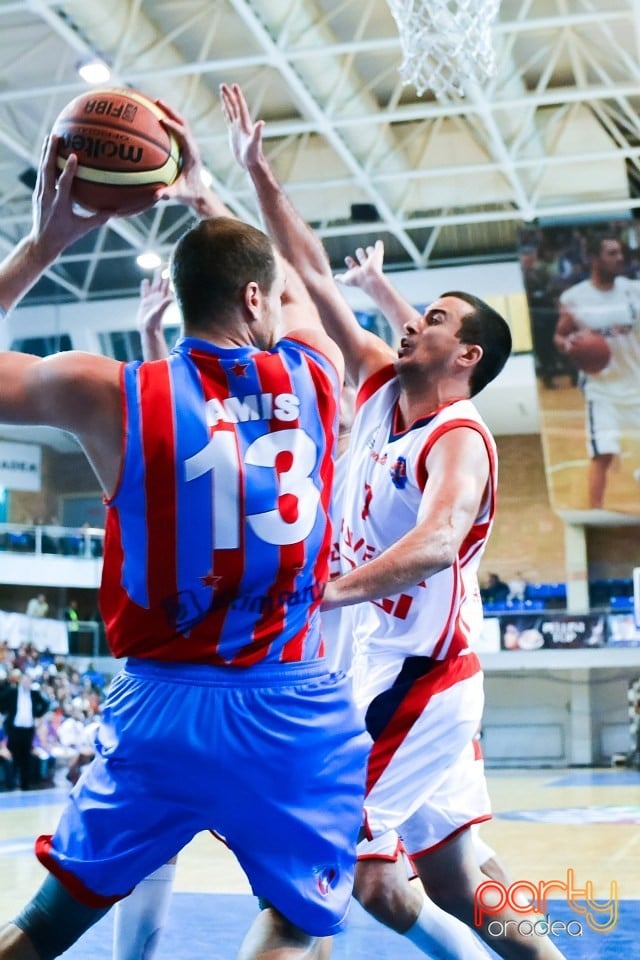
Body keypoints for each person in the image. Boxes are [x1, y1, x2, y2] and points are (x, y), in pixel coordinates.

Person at [0, 118, 369, 960]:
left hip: (159, 706)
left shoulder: (107, 392)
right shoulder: (319, 375)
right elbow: (300, 287)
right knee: (295, 923)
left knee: (50, 923)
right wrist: (208, 190)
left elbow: (274, 286)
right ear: (253, 299)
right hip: (285, 701)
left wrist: (43, 242)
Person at [220, 82, 565, 960]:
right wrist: (259, 176)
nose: (415, 322)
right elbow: (305, 266)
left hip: (422, 676)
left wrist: (320, 593)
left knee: (331, 866)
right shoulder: (377, 381)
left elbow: (438, 543)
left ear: (468, 355)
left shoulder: (462, 437)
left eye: (437, 319)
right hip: (378, 664)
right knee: (452, 878)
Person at [554, 231, 640, 509]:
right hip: (601, 390)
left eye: (620, 253)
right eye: (611, 253)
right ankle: (597, 515)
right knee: (602, 455)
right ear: (593, 258)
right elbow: (560, 335)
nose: (619, 258)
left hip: (636, 382)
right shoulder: (574, 297)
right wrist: (567, 345)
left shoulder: (633, 289)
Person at [0, 668, 50, 791]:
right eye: (25, 680)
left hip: (28, 730)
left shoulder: (34, 694)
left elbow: (45, 704)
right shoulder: (12, 692)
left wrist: (37, 714)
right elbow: (1, 702)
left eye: (29, 681)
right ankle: (12, 783)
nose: (27, 683)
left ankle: (25, 784)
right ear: (21, 681)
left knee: (26, 757)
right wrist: (6, 712)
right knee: (14, 755)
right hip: (14, 730)